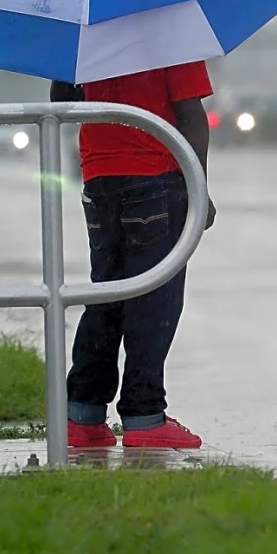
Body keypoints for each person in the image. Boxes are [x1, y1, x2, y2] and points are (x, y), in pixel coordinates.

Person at [51, 61, 216, 449]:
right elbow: (191, 115)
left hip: (99, 177)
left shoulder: (86, 36)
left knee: (105, 295)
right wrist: (199, 186)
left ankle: (83, 415)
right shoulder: (171, 30)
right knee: (155, 298)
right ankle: (145, 416)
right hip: (155, 174)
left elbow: (62, 102)